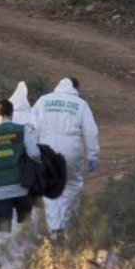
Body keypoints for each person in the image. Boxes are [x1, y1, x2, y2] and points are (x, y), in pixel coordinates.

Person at [0, 99, 41, 269]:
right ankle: (25, 267)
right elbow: (34, 153)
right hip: (21, 189)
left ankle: (4, 268)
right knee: (24, 225)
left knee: (3, 228)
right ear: (12, 114)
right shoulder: (21, 130)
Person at [29, 77, 99, 239]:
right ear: (75, 89)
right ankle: (68, 225)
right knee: (72, 184)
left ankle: (55, 229)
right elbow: (91, 131)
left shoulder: (43, 101)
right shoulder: (80, 104)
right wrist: (92, 155)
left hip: (47, 151)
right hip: (71, 151)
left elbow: (32, 127)